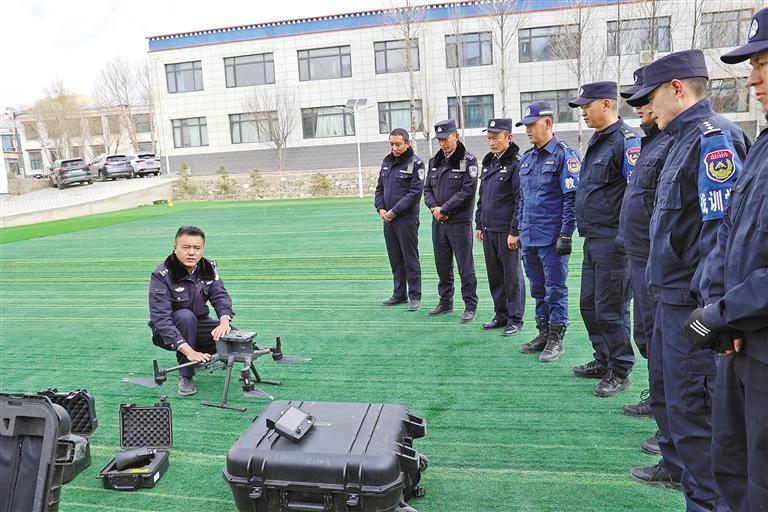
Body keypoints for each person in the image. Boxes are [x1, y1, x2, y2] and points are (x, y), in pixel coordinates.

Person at [625, 49, 750, 509]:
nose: (646, 107)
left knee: (699, 424)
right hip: (669, 301)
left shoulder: (713, 139)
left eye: (650, 97)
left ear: (677, 89)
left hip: (693, 310)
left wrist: (714, 314)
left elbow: (722, 238)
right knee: (677, 411)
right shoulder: (677, 139)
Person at [684, 12, 768, 511]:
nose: (752, 79)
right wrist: (721, 311)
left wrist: (722, 313)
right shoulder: (762, 147)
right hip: (742, 343)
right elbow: (729, 234)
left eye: (764, 64)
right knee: (733, 468)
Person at [617, 68, 680, 485]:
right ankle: (661, 412)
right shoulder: (653, 141)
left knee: (668, 352)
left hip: (666, 270)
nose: (641, 107)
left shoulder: (681, 141)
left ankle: (671, 433)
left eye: (645, 98)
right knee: (650, 341)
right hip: (643, 259)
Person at [568, 82, 640, 396]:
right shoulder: (599, 140)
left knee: (612, 309)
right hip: (594, 238)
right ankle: (603, 359)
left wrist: (625, 239)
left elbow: (636, 193)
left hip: (614, 242)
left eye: (587, 106)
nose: (583, 112)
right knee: (589, 305)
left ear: (607, 104)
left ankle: (620, 369)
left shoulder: (626, 141)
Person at [516, 101, 580, 361]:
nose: (528, 130)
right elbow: (523, 199)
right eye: (526, 126)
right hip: (530, 236)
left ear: (548, 123)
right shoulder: (527, 158)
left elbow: (571, 198)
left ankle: (556, 338)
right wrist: (520, 228)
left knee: (555, 288)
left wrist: (566, 234)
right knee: (537, 288)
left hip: (552, 238)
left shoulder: (565, 155)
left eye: (532, 125)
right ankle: (543, 333)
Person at [148, 225, 234, 396]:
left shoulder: (207, 268)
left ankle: (203, 355)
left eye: (197, 248)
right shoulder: (161, 275)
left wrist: (224, 322)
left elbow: (220, 296)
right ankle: (186, 374)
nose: (191, 253)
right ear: (175, 248)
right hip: (167, 331)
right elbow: (161, 319)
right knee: (185, 317)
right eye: (186, 247)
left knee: (232, 337)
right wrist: (190, 352)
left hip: (199, 324)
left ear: (202, 249)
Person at [474, 118, 526, 336]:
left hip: (507, 231)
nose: (492, 142)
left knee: (512, 276)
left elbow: (520, 199)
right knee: (495, 275)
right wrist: (479, 223)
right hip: (489, 228)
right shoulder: (490, 162)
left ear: (509, 137)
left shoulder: (516, 163)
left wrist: (515, 231)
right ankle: (501, 314)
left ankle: (515, 318)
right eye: (489, 138)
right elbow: (482, 196)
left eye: (496, 138)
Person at [424, 119, 479, 322]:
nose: (442, 143)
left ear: (456, 136)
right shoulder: (434, 161)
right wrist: (435, 209)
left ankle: (470, 305)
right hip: (438, 221)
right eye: (439, 140)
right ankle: (445, 301)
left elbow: (467, 191)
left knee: (465, 266)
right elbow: (427, 189)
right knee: (442, 264)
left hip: (459, 222)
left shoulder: (468, 161)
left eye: (445, 139)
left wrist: (445, 209)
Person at [374, 128, 425, 311]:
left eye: (398, 144)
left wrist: (394, 211)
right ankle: (399, 294)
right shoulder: (387, 162)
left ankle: (415, 296)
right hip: (388, 219)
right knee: (395, 258)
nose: (394, 148)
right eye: (391, 144)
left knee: (410, 258)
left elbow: (415, 193)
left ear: (407, 143)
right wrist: (381, 209)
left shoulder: (416, 164)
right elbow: (379, 189)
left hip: (406, 219)